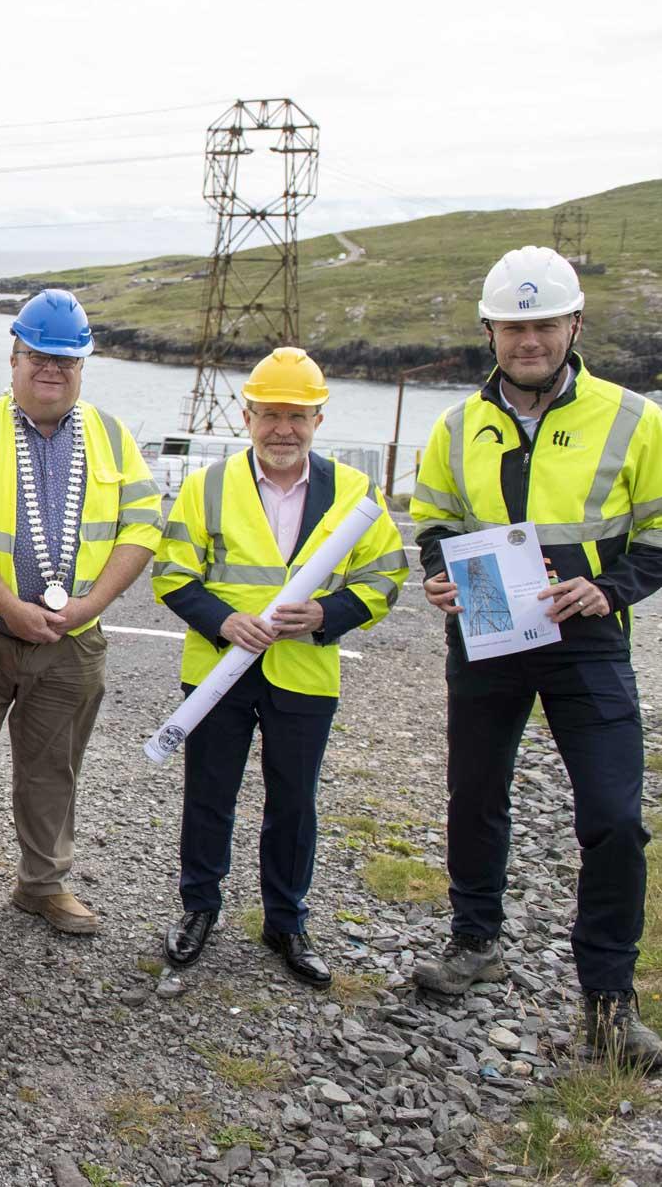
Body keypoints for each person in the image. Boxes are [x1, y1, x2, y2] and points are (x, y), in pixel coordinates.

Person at [409, 245, 662, 1068]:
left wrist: (609, 588)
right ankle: (475, 940)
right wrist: (439, 575)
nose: (529, 340)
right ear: (489, 331)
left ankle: (607, 1004)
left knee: (615, 818)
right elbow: (435, 522)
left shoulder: (634, 418)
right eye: (514, 326)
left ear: (574, 326)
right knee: (474, 793)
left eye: (544, 323)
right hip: (485, 627)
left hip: (585, 635)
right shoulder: (454, 428)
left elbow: (658, 535)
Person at [150, 348, 407, 988]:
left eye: (297, 416)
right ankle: (198, 908)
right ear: (247, 416)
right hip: (218, 670)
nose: (283, 429)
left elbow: (387, 576)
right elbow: (172, 573)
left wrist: (328, 614)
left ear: (319, 418)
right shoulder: (206, 486)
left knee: (294, 802)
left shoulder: (354, 493)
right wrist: (222, 620)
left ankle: (286, 921)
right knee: (209, 795)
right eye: (270, 415)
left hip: (306, 674)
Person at [0, 289, 162, 933]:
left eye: (66, 360)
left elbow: (142, 526)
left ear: (83, 367)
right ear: (14, 358)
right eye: (37, 357)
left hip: (74, 636)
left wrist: (91, 606)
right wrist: (7, 604)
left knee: (54, 764)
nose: (51, 369)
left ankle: (43, 883)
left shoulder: (109, 435)